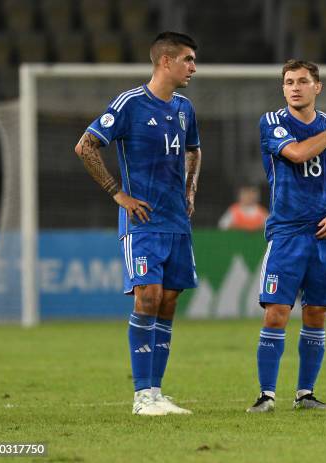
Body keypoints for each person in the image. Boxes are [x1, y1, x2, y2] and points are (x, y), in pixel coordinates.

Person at [74, 32, 202, 416]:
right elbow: (85, 146)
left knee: (168, 302)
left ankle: (157, 393)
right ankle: (141, 396)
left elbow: (194, 150)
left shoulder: (184, 108)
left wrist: (191, 191)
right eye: (188, 59)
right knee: (147, 296)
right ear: (165, 61)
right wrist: (118, 193)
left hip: (176, 221)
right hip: (142, 221)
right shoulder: (130, 104)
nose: (193, 67)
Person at [246, 59, 326, 413]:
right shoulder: (273, 122)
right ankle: (266, 395)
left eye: (302, 81)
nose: (295, 87)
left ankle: (306, 394)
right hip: (287, 234)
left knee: (317, 314)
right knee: (276, 313)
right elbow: (298, 153)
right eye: (288, 82)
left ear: (318, 87)